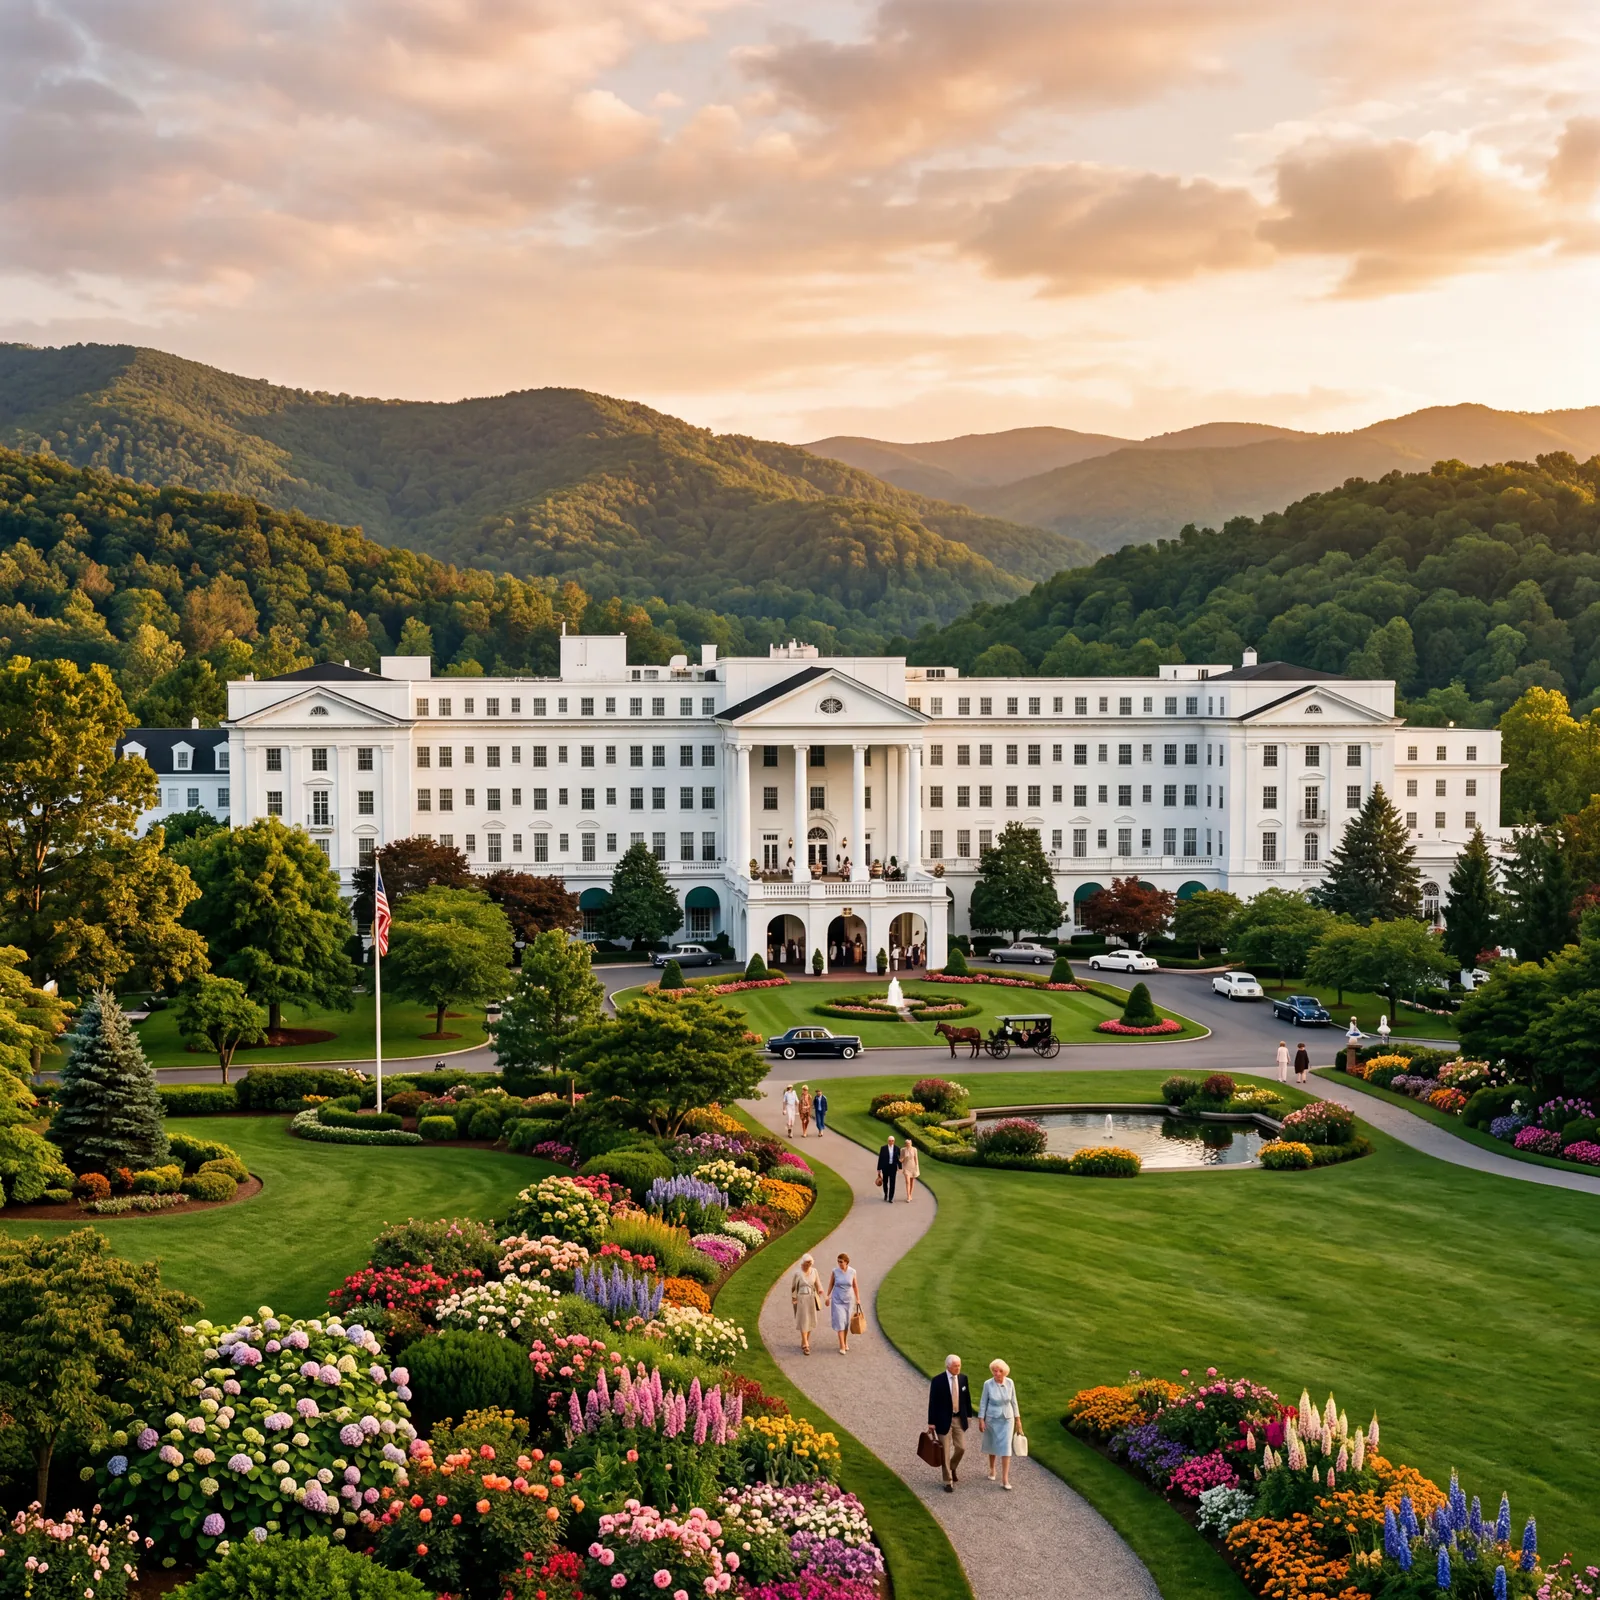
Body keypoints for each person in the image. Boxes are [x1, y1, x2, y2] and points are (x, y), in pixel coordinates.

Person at [926, 1354, 973, 1492]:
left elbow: (967, 1398)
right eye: (955, 1366)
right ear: (948, 1366)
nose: (958, 1368)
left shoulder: (963, 1379)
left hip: (959, 1419)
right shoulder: (938, 1380)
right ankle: (947, 1481)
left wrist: (969, 1416)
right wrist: (931, 1422)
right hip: (943, 1420)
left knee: (961, 1447)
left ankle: (952, 1467)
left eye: (959, 1365)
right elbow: (932, 1402)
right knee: (945, 1451)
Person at [978, 1358, 1021, 1489]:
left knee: (1006, 1447)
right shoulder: (988, 1384)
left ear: (1005, 1372)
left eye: (999, 1371)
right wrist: (981, 1419)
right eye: (994, 1371)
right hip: (992, 1418)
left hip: (1007, 1419)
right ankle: (992, 1468)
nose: (996, 1373)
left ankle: (1005, 1479)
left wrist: (1018, 1420)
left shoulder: (1010, 1383)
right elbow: (983, 1402)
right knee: (992, 1444)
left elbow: (1014, 1401)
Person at [791, 1253, 823, 1355]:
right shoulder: (797, 1273)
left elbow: (818, 1283)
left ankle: (805, 1341)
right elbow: (793, 1287)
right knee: (803, 1320)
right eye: (806, 1263)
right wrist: (794, 1298)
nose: (807, 1265)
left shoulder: (814, 1271)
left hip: (811, 1298)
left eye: (809, 1263)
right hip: (801, 1298)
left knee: (810, 1320)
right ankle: (806, 1344)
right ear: (803, 1263)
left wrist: (820, 1290)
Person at [828, 1252, 861, 1354]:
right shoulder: (835, 1271)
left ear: (846, 1262)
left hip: (848, 1300)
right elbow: (831, 1284)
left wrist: (858, 1298)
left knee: (846, 1322)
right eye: (838, 1261)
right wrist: (827, 1295)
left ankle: (845, 1341)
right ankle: (842, 1345)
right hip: (837, 1300)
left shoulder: (852, 1272)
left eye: (841, 1262)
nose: (839, 1263)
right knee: (840, 1321)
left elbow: (855, 1286)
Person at [876, 1133, 900, 1201]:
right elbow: (880, 1158)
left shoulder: (897, 1148)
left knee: (892, 1183)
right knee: (885, 1182)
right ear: (888, 1141)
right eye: (890, 1140)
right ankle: (886, 1194)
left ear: (894, 1141)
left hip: (893, 1167)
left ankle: (891, 1198)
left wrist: (899, 1167)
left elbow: (899, 1158)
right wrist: (879, 1168)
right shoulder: (883, 1148)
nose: (891, 1142)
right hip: (885, 1167)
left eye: (892, 1140)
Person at [900, 1136, 920, 1201]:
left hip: (913, 1166)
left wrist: (917, 1167)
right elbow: (901, 1160)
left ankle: (910, 1194)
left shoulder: (914, 1149)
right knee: (907, 1182)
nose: (908, 1144)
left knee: (912, 1182)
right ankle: (908, 1196)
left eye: (909, 1143)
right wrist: (904, 1157)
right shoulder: (903, 1150)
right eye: (907, 1143)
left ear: (911, 1143)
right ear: (905, 1144)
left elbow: (916, 1159)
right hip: (906, 1167)